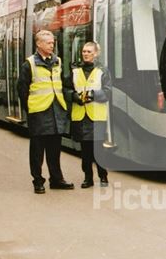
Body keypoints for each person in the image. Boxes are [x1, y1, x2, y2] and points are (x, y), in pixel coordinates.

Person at [17, 30, 73, 194]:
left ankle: (56, 179)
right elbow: (22, 89)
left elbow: (61, 83)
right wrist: (31, 109)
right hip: (39, 112)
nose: (52, 45)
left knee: (54, 149)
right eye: (48, 43)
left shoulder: (58, 61)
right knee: (37, 150)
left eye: (52, 43)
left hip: (56, 111)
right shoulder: (29, 64)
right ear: (39, 44)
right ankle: (38, 181)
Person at [71, 41, 111, 188]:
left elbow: (107, 92)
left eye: (89, 52)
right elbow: (67, 89)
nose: (85, 54)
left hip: (96, 116)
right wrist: (74, 97)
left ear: (96, 54)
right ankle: (88, 178)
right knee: (85, 150)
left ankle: (103, 176)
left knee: (99, 149)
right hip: (80, 116)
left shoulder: (103, 71)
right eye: (84, 51)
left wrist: (91, 95)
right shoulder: (75, 70)